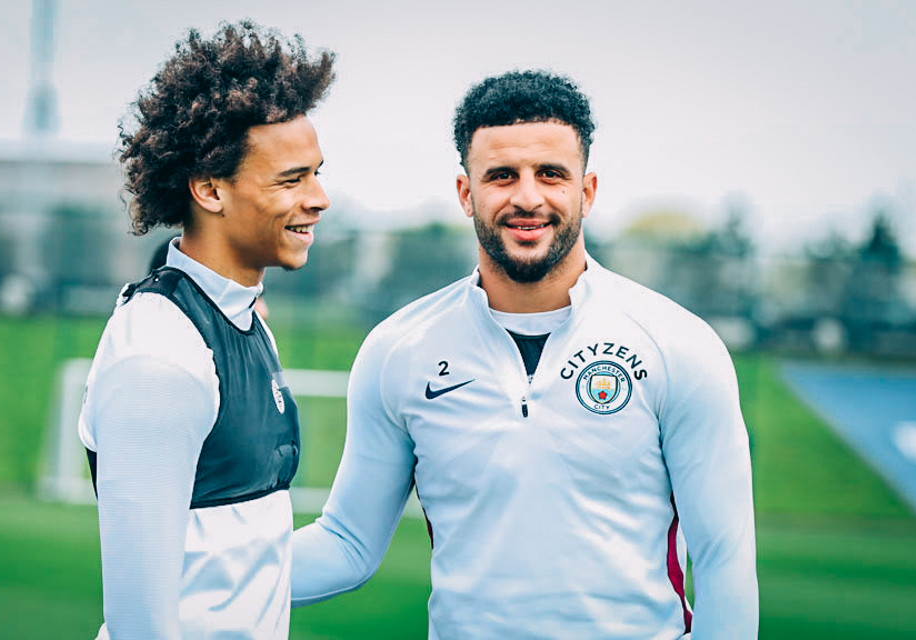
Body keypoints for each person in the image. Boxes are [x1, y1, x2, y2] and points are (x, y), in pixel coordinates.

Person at [291, 70, 758, 638]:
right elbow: (348, 543)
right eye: (502, 176)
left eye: (551, 175)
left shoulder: (677, 344)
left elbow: (723, 558)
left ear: (586, 191)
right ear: (467, 194)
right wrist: (194, 571)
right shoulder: (398, 351)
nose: (527, 197)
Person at [77, 22, 334, 639]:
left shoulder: (246, 324)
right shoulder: (159, 357)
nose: (320, 198)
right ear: (210, 189)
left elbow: (248, 566)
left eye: (316, 173)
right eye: (292, 179)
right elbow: (141, 626)